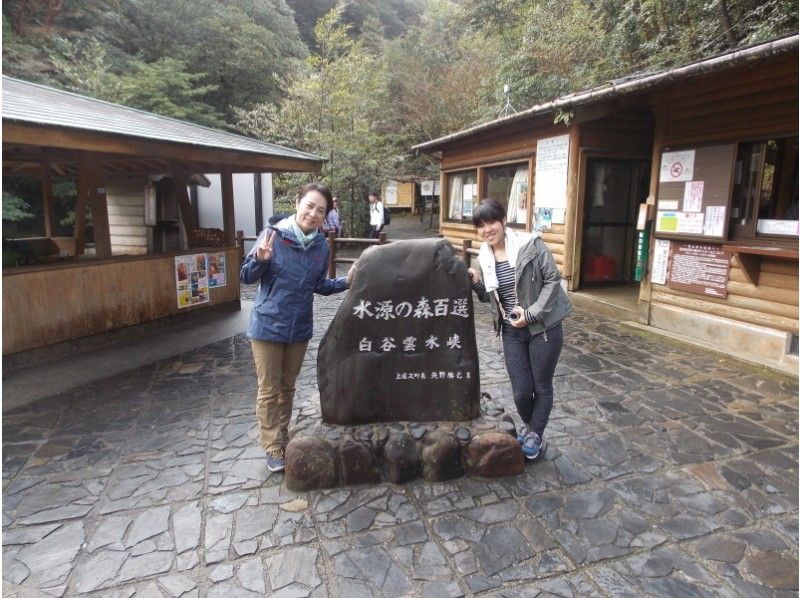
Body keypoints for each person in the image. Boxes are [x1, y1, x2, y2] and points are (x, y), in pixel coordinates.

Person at [241, 182, 354, 473]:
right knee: (269, 388)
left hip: (299, 326)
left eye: (321, 210)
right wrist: (259, 261)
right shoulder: (272, 236)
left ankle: (282, 433)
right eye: (310, 206)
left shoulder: (319, 246)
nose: (314, 214)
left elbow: (318, 285)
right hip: (268, 324)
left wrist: (346, 281)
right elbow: (246, 276)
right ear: (297, 203)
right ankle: (272, 446)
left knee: (288, 387)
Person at [468, 198, 571, 460]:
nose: (487, 229)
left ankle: (535, 433)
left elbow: (552, 280)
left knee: (541, 385)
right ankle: (531, 426)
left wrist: (531, 313)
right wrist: (477, 282)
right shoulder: (484, 255)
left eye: (491, 222)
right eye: (480, 225)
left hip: (543, 329)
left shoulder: (531, 245)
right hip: (511, 331)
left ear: (503, 221)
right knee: (521, 390)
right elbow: (491, 298)